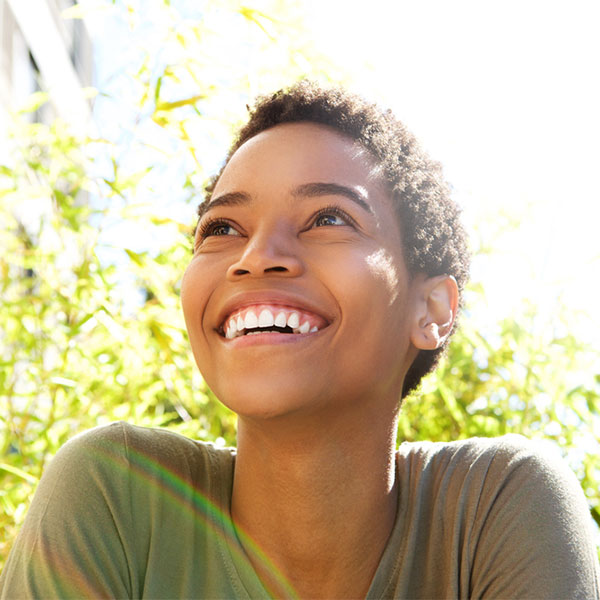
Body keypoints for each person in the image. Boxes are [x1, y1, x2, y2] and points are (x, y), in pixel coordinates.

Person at [1, 81, 598, 599]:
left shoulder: (497, 509)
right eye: (224, 227)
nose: (256, 257)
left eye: (329, 218)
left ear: (432, 308)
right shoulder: (117, 495)